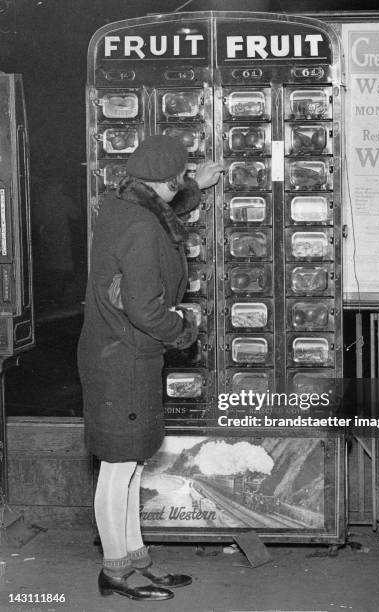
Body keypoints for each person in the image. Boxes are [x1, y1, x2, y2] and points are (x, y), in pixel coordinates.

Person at [77, 135, 223, 601]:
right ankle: (114, 571)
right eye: (181, 177)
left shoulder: (122, 206)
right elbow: (145, 309)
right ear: (168, 180)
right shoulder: (141, 228)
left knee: (132, 462)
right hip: (124, 359)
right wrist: (186, 328)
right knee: (118, 468)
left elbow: (161, 215)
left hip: (121, 354)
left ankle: (137, 560)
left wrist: (195, 188)